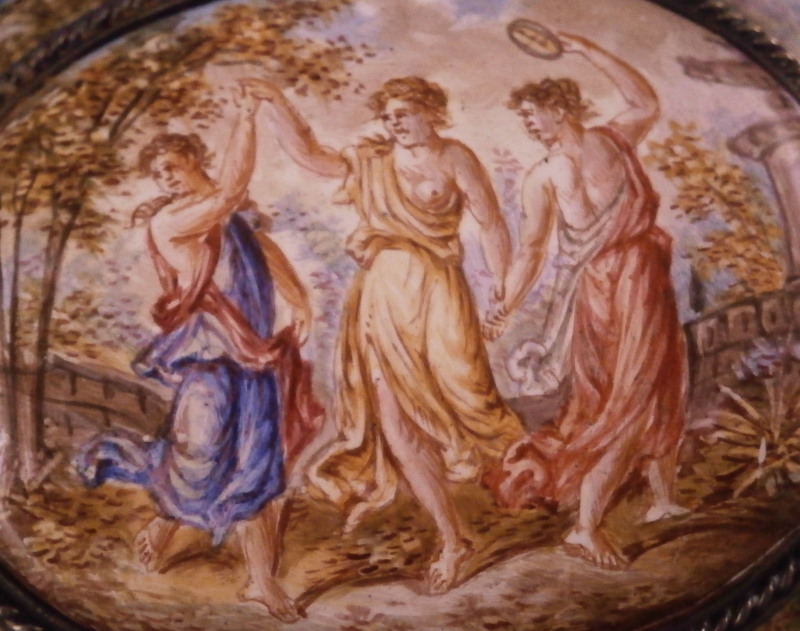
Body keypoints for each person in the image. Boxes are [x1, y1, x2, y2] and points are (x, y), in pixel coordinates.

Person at [243, 75, 523, 593]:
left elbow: (490, 223)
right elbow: (309, 156)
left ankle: (529, 483)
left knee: (470, 401)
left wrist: (504, 290)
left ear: (431, 112)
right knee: (397, 425)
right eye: (388, 116)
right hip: (381, 297)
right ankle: (452, 539)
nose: (394, 123)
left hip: (439, 295)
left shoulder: (455, 157)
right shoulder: (371, 160)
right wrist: (276, 101)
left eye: (404, 113)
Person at [76, 83, 322, 622]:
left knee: (258, 467)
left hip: (253, 356)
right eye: (157, 173)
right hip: (208, 355)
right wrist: (246, 118)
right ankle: (166, 521)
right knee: (199, 456)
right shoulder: (171, 222)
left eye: (171, 166)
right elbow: (230, 192)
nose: (165, 178)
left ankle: (261, 582)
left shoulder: (228, 216)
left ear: (194, 159)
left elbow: (260, 246)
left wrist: (298, 297)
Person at [483, 33, 689, 570]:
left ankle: (663, 498)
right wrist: (507, 303)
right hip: (602, 289)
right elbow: (531, 249)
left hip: (643, 274)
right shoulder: (541, 177)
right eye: (522, 117)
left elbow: (645, 101)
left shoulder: (612, 139)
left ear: (560, 108)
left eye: (533, 113)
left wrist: (584, 50)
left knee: (658, 383)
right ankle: (585, 527)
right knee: (621, 400)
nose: (528, 123)